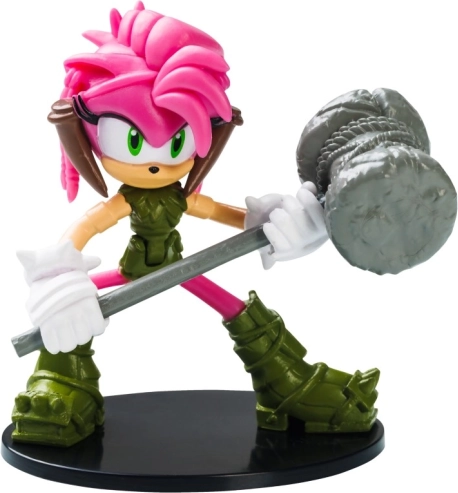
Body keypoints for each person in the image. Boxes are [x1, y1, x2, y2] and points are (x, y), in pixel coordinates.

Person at [11, 2, 379, 447]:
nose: (155, 163)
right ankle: (62, 379)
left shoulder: (183, 198)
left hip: (179, 269)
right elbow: (81, 233)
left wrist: (279, 227)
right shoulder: (126, 200)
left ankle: (287, 382)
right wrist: (61, 281)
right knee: (75, 311)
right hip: (133, 273)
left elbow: (227, 215)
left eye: (177, 141)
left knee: (242, 313)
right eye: (133, 140)